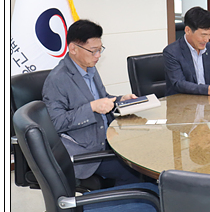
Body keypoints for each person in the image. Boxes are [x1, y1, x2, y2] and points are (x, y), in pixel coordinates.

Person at [42, 19, 142, 185]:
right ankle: (126, 200)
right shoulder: (57, 80)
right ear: (73, 48)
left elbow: (102, 98)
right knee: (133, 170)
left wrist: (120, 99)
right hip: (86, 151)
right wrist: (91, 108)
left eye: (100, 50)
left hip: (107, 138)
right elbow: (56, 123)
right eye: (93, 51)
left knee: (143, 154)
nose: (98, 56)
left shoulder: (90, 68)